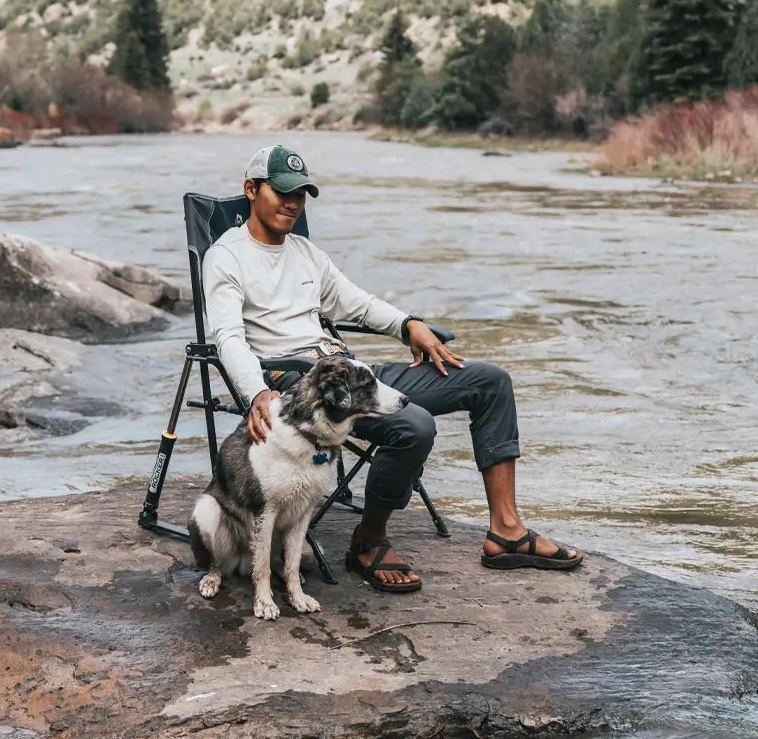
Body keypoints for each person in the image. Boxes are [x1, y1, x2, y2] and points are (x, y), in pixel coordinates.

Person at [203, 144, 584, 593]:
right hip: (296, 386)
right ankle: (369, 540)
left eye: (301, 194)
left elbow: (357, 303)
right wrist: (256, 393)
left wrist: (408, 325)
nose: (292, 203)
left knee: (490, 382)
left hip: (348, 370)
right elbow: (227, 336)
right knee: (414, 426)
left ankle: (506, 531)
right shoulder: (226, 257)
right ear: (251, 189)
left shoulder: (305, 253)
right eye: (282, 192)